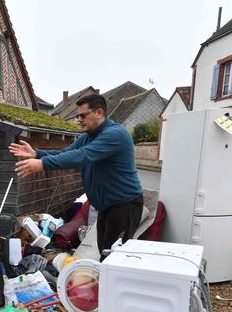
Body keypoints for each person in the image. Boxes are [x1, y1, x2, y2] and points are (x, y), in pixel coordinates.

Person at [9, 93, 143, 258]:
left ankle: (114, 282)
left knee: (114, 255)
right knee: (105, 251)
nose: (78, 119)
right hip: (106, 207)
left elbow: (82, 156)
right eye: (77, 115)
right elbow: (66, 153)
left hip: (124, 205)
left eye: (83, 115)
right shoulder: (87, 137)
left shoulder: (116, 135)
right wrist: (37, 153)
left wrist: (42, 164)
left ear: (99, 113)